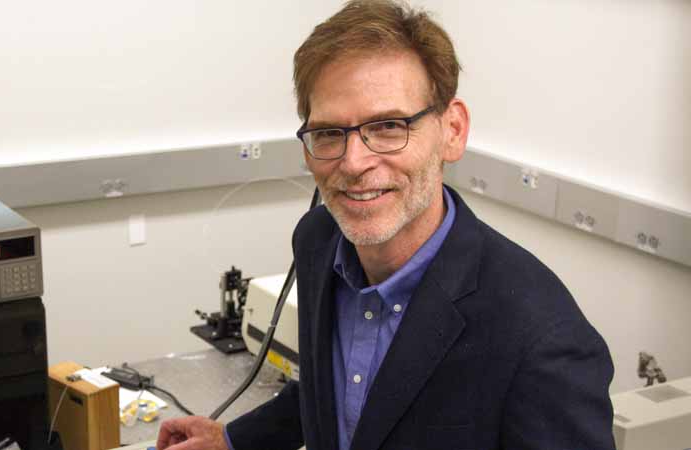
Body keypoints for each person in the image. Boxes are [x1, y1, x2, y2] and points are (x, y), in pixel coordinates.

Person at [157, 1, 615, 449]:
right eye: (330, 133)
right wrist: (233, 440)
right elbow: (333, 394)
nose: (354, 162)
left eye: (390, 126)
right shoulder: (318, 240)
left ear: (452, 131)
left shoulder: (542, 337)